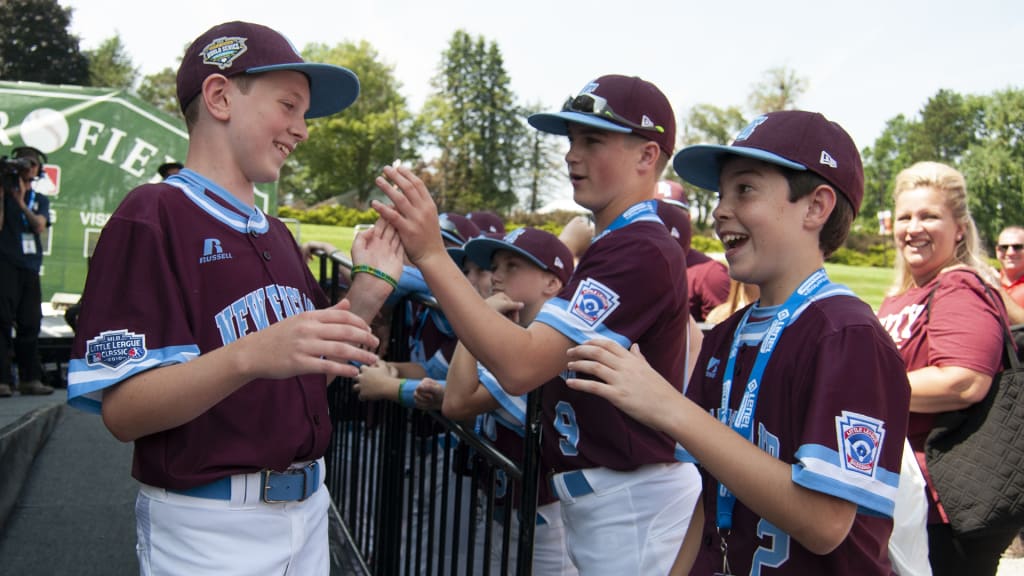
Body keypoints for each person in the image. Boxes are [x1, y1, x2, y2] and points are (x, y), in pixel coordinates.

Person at [66, 21, 402, 575]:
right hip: (208, 526)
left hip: (309, 510)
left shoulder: (276, 233)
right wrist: (250, 354)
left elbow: (298, 377)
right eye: (289, 106)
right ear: (220, 96)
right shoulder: (151, 214)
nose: (303, 129)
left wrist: (366, 294)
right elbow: (124, 413)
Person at [374, 74, 702, 575]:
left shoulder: (639, 246)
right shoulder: (621, 241)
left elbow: (520, 366)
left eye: (593, 139)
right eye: (571, 140)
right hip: (607, 498)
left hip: (631, 499)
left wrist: (431, 254)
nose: (572, 154)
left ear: (647, 157)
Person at [563, 110, 911, 574]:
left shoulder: (846, 334)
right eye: (721, 193)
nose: (721, 210)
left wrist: (670, 408)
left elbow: (825, 523)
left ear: (816, 207)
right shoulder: (727, 335)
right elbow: (712, 499)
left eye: (744, 189)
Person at [876, 161, 1017, 576]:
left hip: (944, 502)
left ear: (959, 228)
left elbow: (963, 380)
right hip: (903, 493)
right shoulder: (903, 295)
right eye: (905, 216)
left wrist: (861, 386)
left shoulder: (958, 285)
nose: (913, 227)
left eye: (929, 216)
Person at [442, 227, 577, 575]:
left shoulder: (545, 350)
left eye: (512, 266)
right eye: (496, 265)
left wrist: (477, 317)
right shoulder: (515, 334)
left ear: (551, 282)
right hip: (505, 507)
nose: (496, 276)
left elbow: (456, 403)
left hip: (545, 520)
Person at [0, 145, 54, 397]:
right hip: (5, 263)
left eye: (32, 164)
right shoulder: (3, 195)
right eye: (23, 164)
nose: (27, 168)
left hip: (30, 267)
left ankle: (29, 378)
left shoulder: (39, 200)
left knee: (31, 322)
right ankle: (3, 379)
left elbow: (39, 226)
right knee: (1, 320)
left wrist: (21, 202)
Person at [997, 225, 1024, 307]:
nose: (1010, 253)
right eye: (1004, 247)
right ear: (997, 251)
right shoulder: (985, 282)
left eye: (1017, 247)